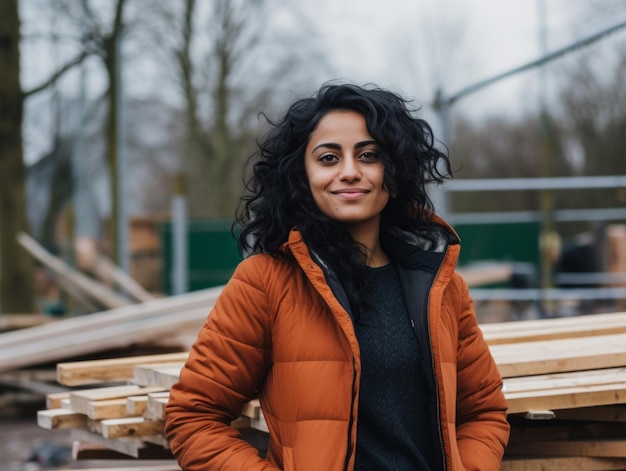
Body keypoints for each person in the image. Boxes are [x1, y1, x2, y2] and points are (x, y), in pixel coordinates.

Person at [165, 83, 510, 470]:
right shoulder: (264, 283)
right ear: (302, 174)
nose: (349, 172)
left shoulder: (442, 288)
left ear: (393, 172)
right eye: (328, 158)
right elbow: (192, 417)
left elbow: (484, 413)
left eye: (368, 155)